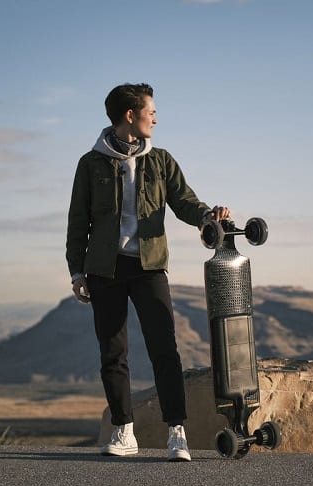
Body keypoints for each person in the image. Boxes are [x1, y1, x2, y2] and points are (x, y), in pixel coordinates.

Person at [66, 83, 230, 462]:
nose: (155, 117)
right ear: (130, 115)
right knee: (113, 350)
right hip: (104, 269)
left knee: (164, 349)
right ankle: (124, 430)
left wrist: (207, 214)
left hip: (149, 266)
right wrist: (77, 271)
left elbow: (184, 201)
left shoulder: (161, 160)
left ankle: (177, 432)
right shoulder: (90, 164)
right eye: (150, 111)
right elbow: (78, 221)